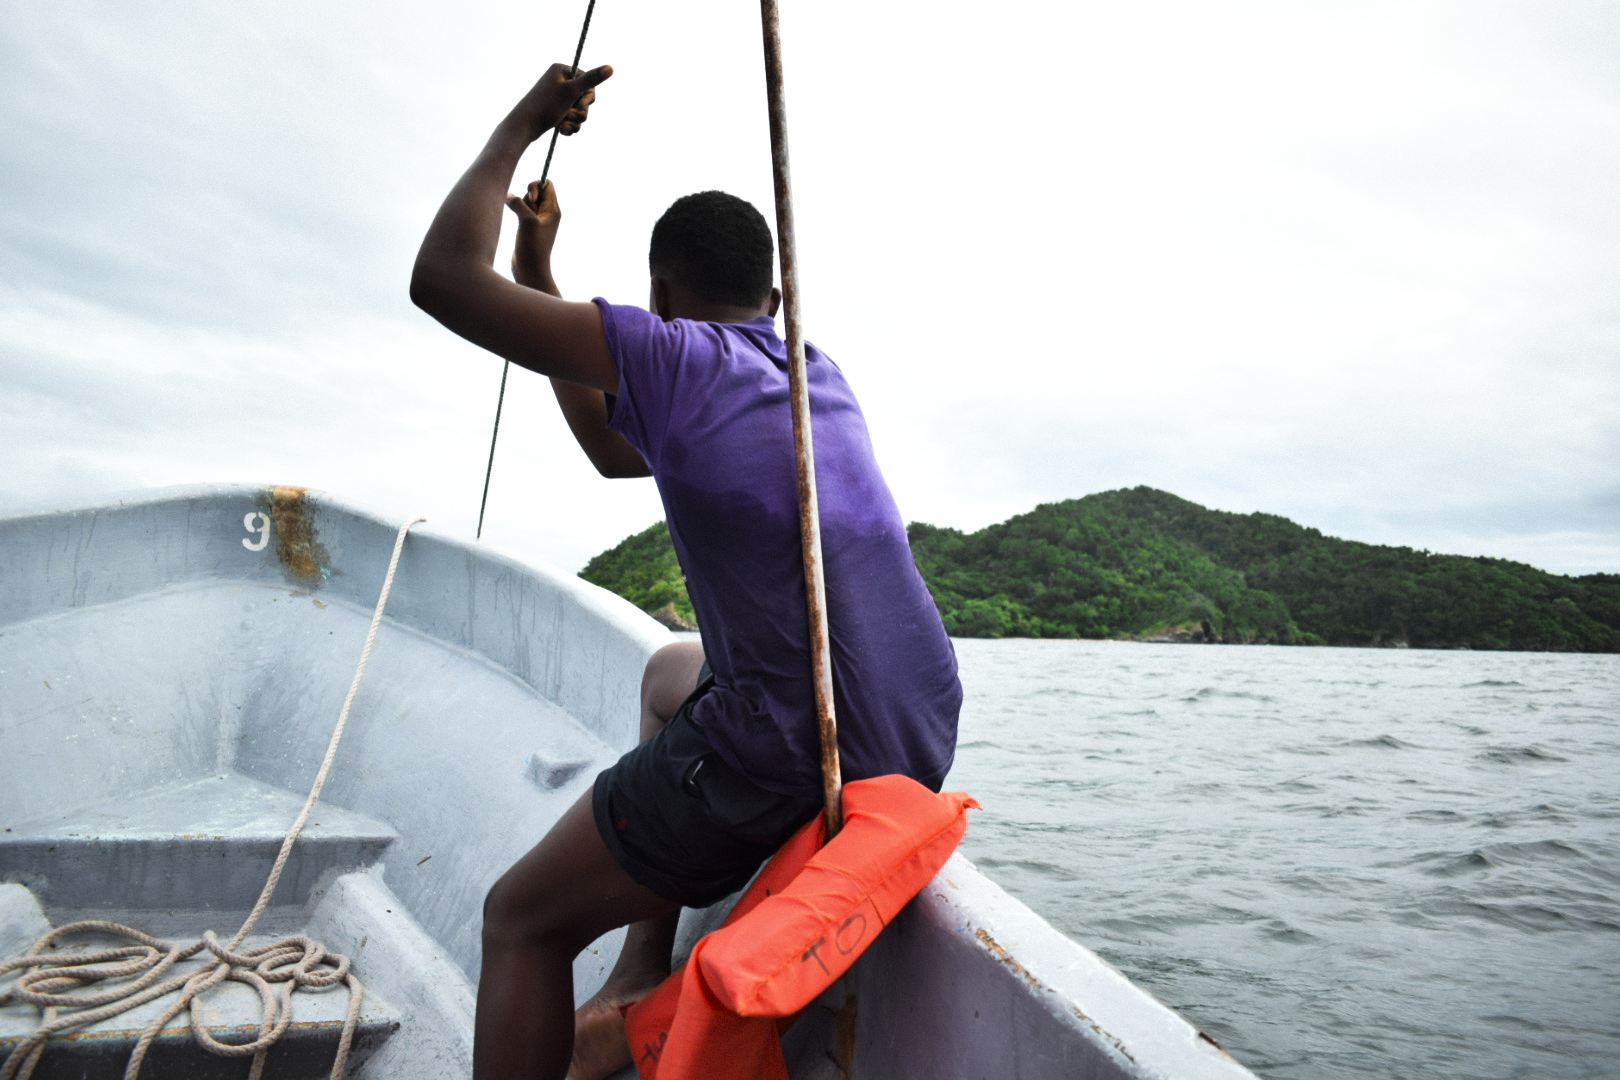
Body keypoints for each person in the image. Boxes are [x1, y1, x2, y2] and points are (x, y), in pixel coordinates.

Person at [410, 61, 962, 1080]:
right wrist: (543, 275)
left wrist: (525, 123)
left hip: (795, 753)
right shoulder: (810, 367)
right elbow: (615, 452)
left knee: (517, 921)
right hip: (916, 727)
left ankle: (596, 964)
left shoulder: (674, 356)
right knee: (669, 670)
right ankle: (636, 974)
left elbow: (440, 280)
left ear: (662, 299)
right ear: (775, 295)